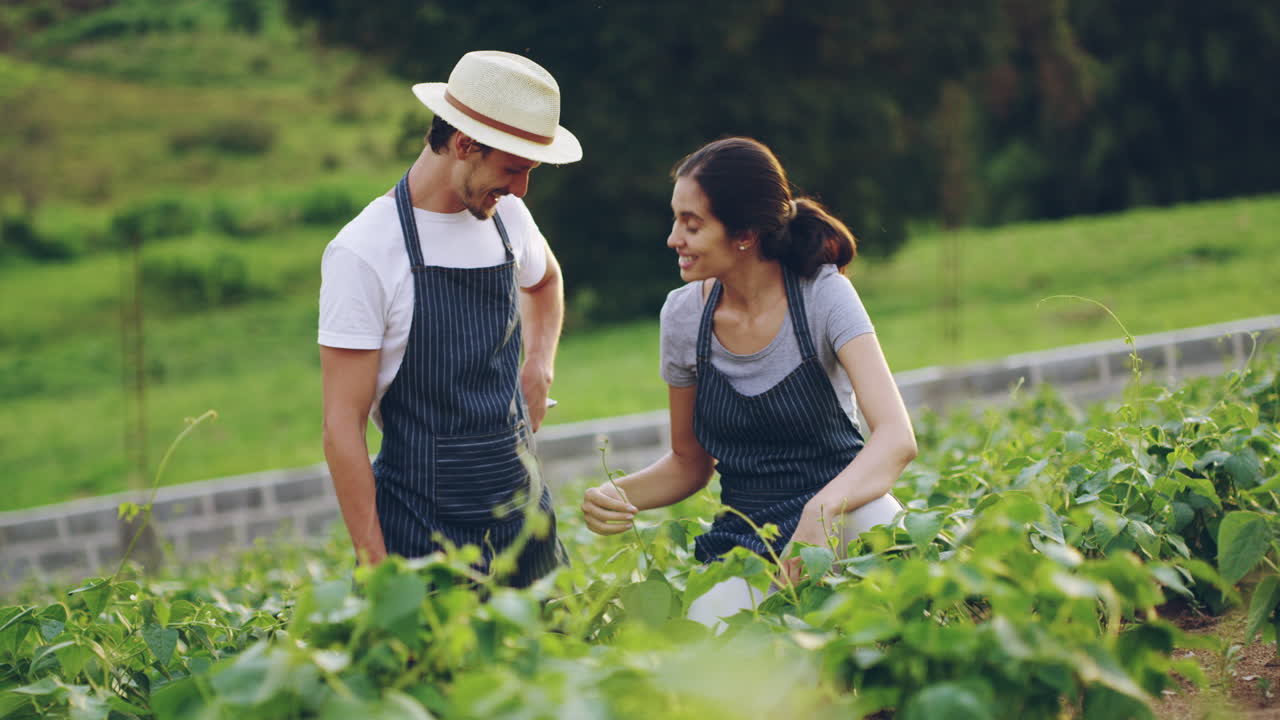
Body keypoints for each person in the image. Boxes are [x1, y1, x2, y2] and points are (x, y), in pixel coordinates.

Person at [581, 137, 917, 624]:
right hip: (747, 537)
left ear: (744, 234)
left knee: (899, 612)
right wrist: (619, 495)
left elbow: (896, 438)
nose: (673, 238)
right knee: (718, 650)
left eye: (692, 225)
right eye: (676, 220)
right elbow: (689, 462)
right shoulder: (682, 318)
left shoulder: (823, 296)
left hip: (848, 513)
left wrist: (819, 514)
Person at [319, 51, 581, 587]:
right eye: (514, 169)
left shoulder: (508, 217)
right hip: (421, 535)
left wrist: (539, 366)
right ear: (464, 144)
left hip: (525, 525)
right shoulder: (366, 251)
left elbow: (546, 281)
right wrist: (377, 567)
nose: (522, 188)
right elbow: (341, 430)